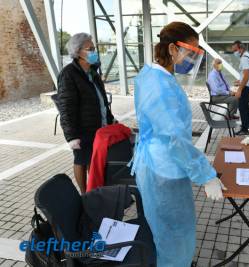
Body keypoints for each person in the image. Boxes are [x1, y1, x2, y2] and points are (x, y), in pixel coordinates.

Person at [128, 21, 226, 267]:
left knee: (163, 232)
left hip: (154, 163)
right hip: (164, 169)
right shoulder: (162, 87)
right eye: (190, 52)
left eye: (196, 54)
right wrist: (206, 175)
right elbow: (175, 141)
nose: (192, 59)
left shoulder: (150, 75)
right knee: (175, 236)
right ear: (172, 49)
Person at [58, 33, 115, 194]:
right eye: (90, 49)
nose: (94, 52)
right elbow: (66, 107)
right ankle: (85, 194)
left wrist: (110, 119)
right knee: (81, 160)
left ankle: (94, 191)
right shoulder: (68, 74)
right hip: (82, 129)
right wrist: (71, 136)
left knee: (93, 159)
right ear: (78, 52)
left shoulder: (92, 72)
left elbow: (102, 99)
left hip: (97, 125)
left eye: (94, 48)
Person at [231, 40, 249, 135]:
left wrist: (239, 90)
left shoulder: (244, 58)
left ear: (240, 49)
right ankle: (248, 125)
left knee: (242, 107)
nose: (234, 53)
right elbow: (246, 74)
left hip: (247, 86)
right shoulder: (248, 55)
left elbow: (246, 75)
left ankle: (245, 129)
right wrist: (240, 81)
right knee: (245, 106)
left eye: (235, 50)